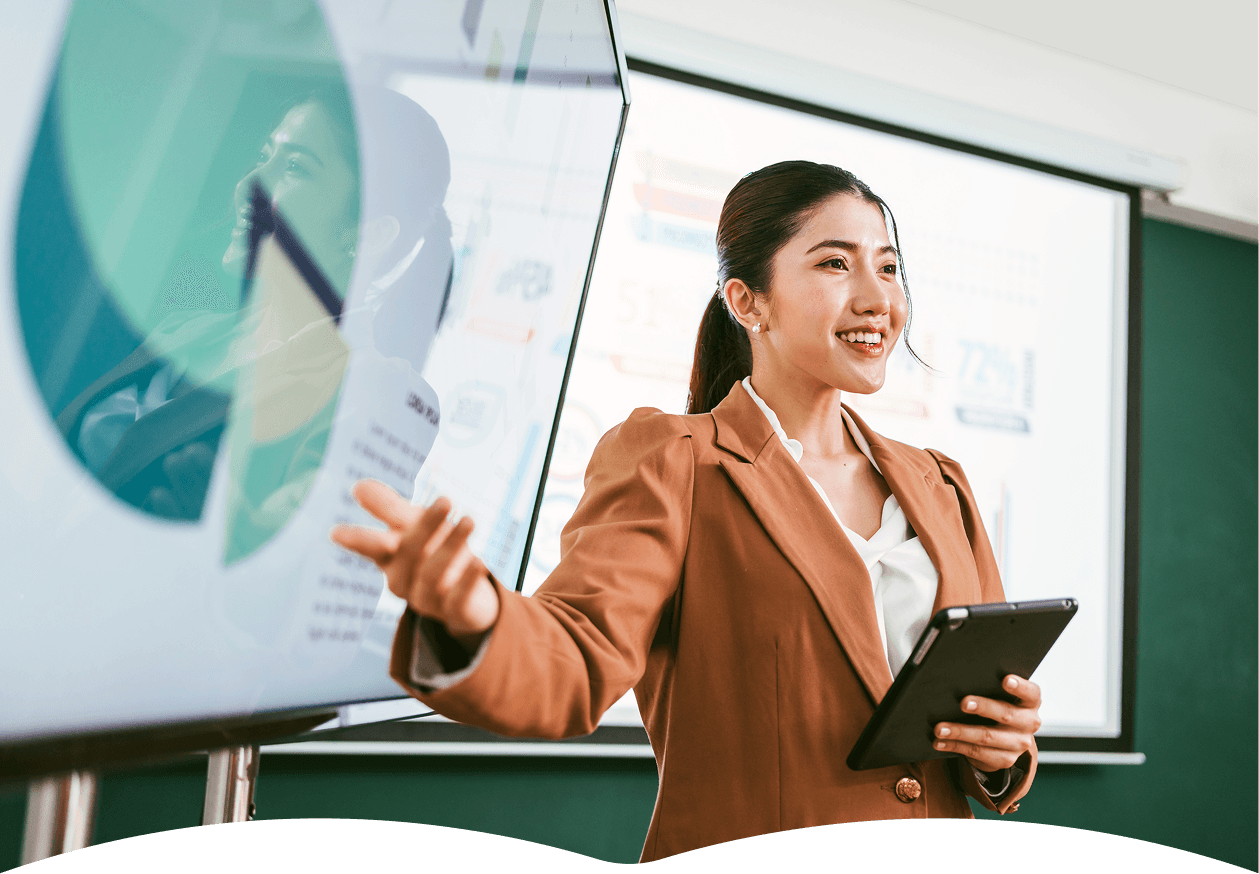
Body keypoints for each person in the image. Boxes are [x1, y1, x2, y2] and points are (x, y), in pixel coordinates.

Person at [331, 160, 1040, 861]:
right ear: (747, 302)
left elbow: (980, 718)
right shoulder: (674, 461)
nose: (875, 298)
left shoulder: (939, 485)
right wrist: (476, 619)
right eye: (834, 264)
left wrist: (998, 752)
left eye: (888, 268)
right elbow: (576, 655)